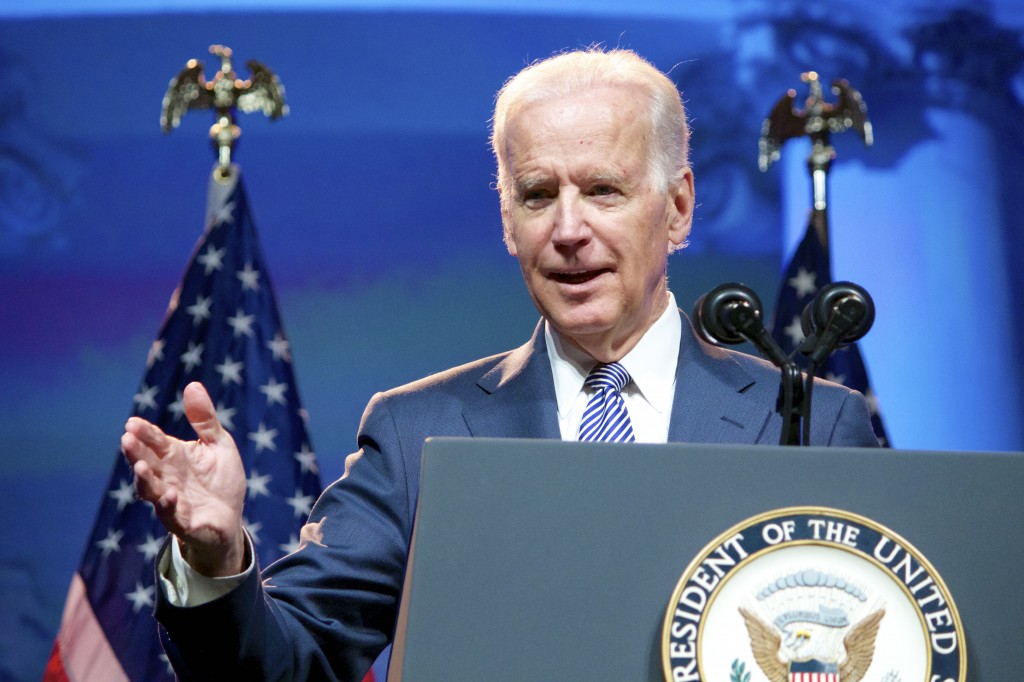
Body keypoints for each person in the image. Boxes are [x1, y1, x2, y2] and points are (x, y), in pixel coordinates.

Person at [122, 47, 878, 680]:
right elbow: (284, 664)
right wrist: (216, 558)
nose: (569, 229)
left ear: (677, 208)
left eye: (603, 190)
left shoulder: (808, 419)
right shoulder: (418, 430)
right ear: (508, 221)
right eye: (538, 194)